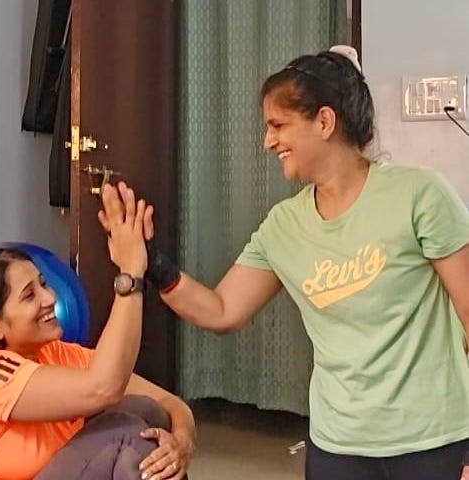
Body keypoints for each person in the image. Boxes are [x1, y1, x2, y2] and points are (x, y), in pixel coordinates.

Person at [101, 46, 469, 480]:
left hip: (434, 439)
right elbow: (222, 310)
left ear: (325, 122)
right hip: (339, 444)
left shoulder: (419, 195)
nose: (267, 141)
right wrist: (151, 264)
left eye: (278, 125)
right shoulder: (284, 225)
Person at [0, 184, 196, 480]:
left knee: (144, 411)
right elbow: (104, 387)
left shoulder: (56, 353)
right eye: (29, 295)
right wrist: (130, 274)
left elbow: (170, 403)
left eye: (43, 283)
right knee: (123, 434)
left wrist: (181, 443)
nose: (50, 297)